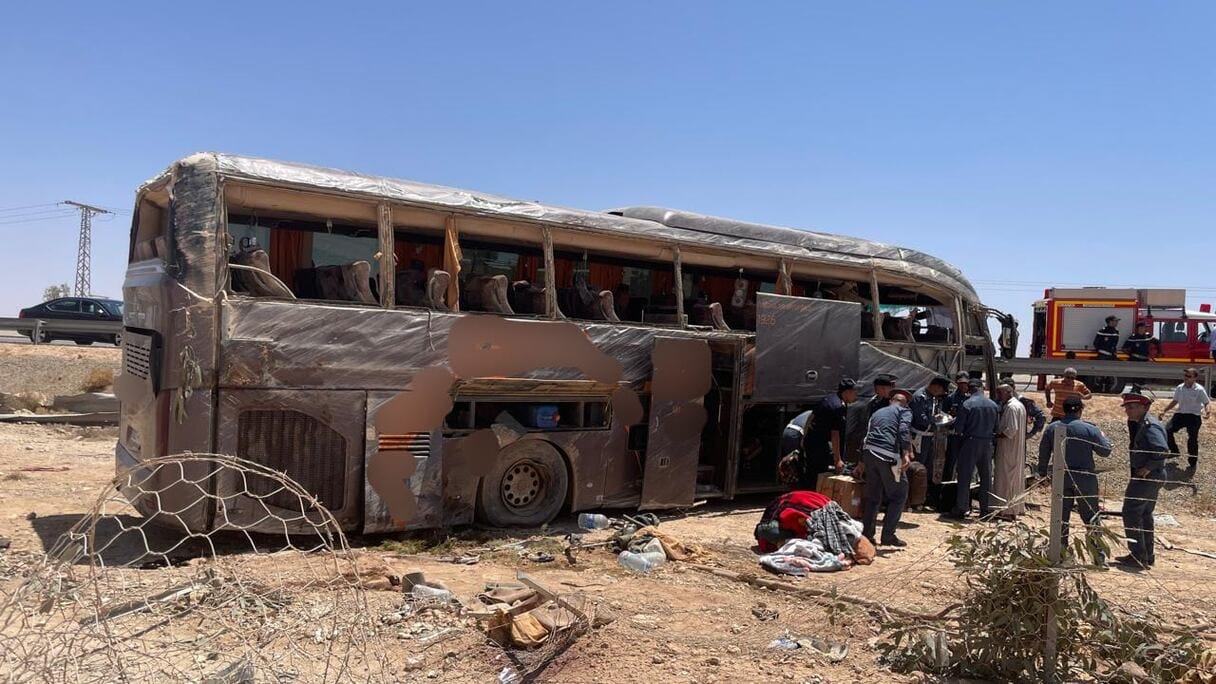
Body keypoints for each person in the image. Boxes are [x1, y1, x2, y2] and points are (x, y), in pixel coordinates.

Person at [1036, 396, 1112, 564]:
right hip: (1085, 478)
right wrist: (1102, 435)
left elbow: (1043, 453)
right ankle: (1098, 557)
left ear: (1063, 409)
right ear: (1080, 410)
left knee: (1060, 518)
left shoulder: (1052, 428)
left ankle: (1060, 555)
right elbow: (1105, 451)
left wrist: (1042, 473)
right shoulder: (1089, 429)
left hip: (1060, 477)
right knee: (1091, 517)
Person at [1117, 391, 1169, 569]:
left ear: (1143, 407)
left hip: (1147, 476)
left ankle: (1138, 556)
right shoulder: (1142, 423)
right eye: (1126, 407)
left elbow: (1162, 450)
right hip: (1152, 476)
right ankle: (1146, 555)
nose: (1127, 411)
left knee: (1131, 512)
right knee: (1145, 515)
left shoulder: (1149, 426)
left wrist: (1148, 467)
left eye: (1131, 407)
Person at [860, 388, 914, 547]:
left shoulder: (878, 412)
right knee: (899, 494)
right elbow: (903, 430)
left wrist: (861, 462)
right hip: (888, 455)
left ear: (891, 401)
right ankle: (888, 535)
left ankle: (867, 535)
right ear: (904, 405)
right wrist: (905, 453)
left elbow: (866, 433)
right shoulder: (904, 412)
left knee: (873, 497)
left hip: (869, 453)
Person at [949, 381, 1000, 520]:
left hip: (970, 442)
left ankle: (962, 507)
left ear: (969, 390)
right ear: (982, 389)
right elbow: (997, 427)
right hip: (987, 443)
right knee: (986, 477)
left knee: (965, 476)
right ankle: (985, 509)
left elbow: (959, 429)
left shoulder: (967, 404)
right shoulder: (993, 405)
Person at [801, 379, 858, 486]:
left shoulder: (827, 399)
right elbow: (835, 434)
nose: (856, 396)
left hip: (811, 441)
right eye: (854, 392)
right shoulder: (838, 407)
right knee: (819, 475)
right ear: (847, 392)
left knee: (810, 472)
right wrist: (838, 460)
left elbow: (811, 417)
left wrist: (804, 437)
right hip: (821, 446)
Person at [1158, 367, 1211, 473]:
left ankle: (1192, 462)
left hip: (1193, 417)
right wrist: (1164, 410)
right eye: (1185, 375)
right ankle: (1174, 451)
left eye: (1188, 376)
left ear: (1194, 378)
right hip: (1180, 415)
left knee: (1192, 439)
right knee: (1167, 430)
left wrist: (1208, 412)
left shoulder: (1199, 390)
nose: (1186, 378)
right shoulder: (1180, 388)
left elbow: (1206, 402)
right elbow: (1175, 401)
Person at [992, 380, 1028, 520]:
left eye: (1000, 393)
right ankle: (1012, 509)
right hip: (1014, 448)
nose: (998, 395)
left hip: (1008, 448)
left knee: (1006, 478)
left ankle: (1007, 511)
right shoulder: (1018, 405)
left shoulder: (1012, 407)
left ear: (1008, 392)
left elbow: (1010, 431)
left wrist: (994, 435)